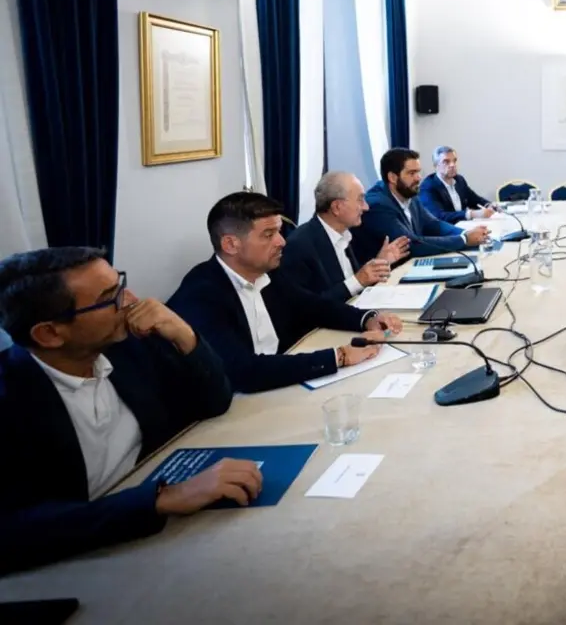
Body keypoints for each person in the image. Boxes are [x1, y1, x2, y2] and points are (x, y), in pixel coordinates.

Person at [0, 247, 258, 575]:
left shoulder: (128, 347)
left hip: (165, 530)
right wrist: (159, 499)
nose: (132, 300)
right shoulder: (11, 398)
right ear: (49, 333)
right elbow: (13, 530)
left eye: (121, 284)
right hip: (83, 558)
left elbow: (214, 402)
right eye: (112, 297)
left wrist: (184, 334)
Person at [168, 192, 403, 394]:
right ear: (231, 244)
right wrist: (338, 357)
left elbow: (313, 306)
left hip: (279, 386)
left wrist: (367, 317)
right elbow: (242, 372)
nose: (282, 242)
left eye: (279, 231)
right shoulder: (201, 294)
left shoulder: (269, 273)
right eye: (269, 235)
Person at [280, 172, 411, 302]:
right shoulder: (299, 246)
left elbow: (354, 284)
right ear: (337, 207)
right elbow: (309, 308)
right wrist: (358, 281)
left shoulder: (348, 234)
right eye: (360, 199)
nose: (366, 207)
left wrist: (379, 263)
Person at [352, 149, 489, 263]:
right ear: (393, 177)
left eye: (418, 172)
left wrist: (466, 233)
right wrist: (463, 240)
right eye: (412, 173)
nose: (418, 178)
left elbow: (433, 224)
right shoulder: (378, 205)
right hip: (383, 280)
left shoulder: (409, 192)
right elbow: (411, 245)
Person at [419, 146, 495, 225]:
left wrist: (489, 205)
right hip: (444, 231)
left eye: (454, 161)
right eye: (446, 162)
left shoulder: (459, 180)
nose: (452, 165)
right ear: (436, 165)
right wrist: (472, 214)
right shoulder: (428, 187)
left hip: (464, 226)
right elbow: (439, 216)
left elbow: (474, 199)